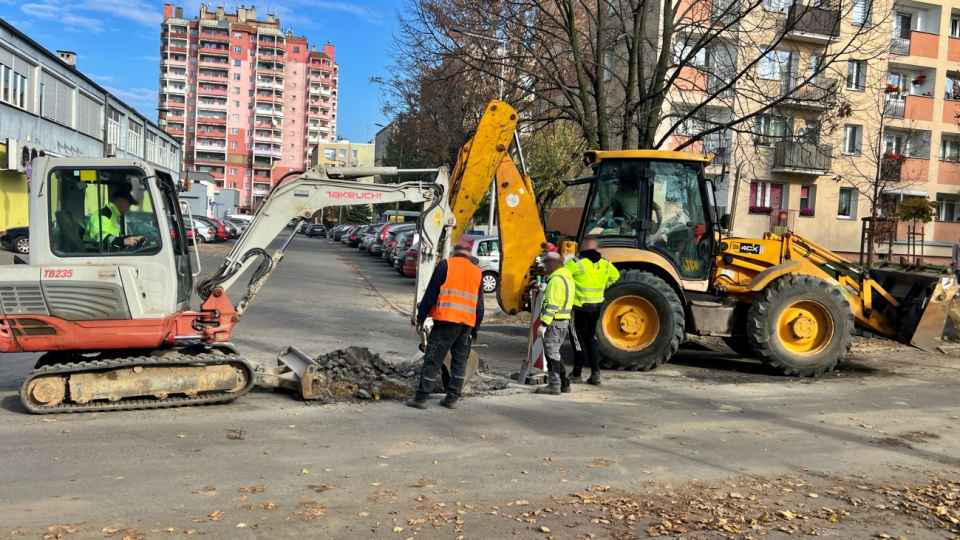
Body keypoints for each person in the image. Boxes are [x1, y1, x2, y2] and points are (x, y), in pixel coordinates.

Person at [408, 243, 484, 410]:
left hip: (446, 321)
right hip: (467, 324)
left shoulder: (446, 265)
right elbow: (479, 306)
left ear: (453, 253)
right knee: (459, 362)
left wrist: (420, 318)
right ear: (470, 256)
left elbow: (431, 293)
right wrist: (475, 329)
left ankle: (421, 398)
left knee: (433, 359)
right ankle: (451, 399)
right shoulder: (477, 272)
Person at [566, 236, 620, 385]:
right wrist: (603, 285)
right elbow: (616, 276)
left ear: (582, 247)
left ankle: (577, 374)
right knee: (591, 339)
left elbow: (563, 278)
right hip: (596, 307)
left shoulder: (576, 263)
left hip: (579, 307)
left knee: (578, 340)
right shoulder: (605, 264)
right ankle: (595, 373)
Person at [535, 251, 575, 396]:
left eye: (545, 263)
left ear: (552, 263)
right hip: (562, 321)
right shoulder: (565, 277)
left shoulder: (556, 280)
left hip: (554, 322)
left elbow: (553, 305)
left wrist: (543, 324)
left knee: (552, 355)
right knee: (555, 353)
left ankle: (555, 385)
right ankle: (564, 383)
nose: (544, 266)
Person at [84, 187, 146, 251]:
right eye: (129, 204)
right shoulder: (104, 214)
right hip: (94, 254)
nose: (129, 208)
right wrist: (123, 241)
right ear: (121, 201)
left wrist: (131, 239)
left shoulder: (112, 215)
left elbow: (113, 237)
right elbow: (99, 235)